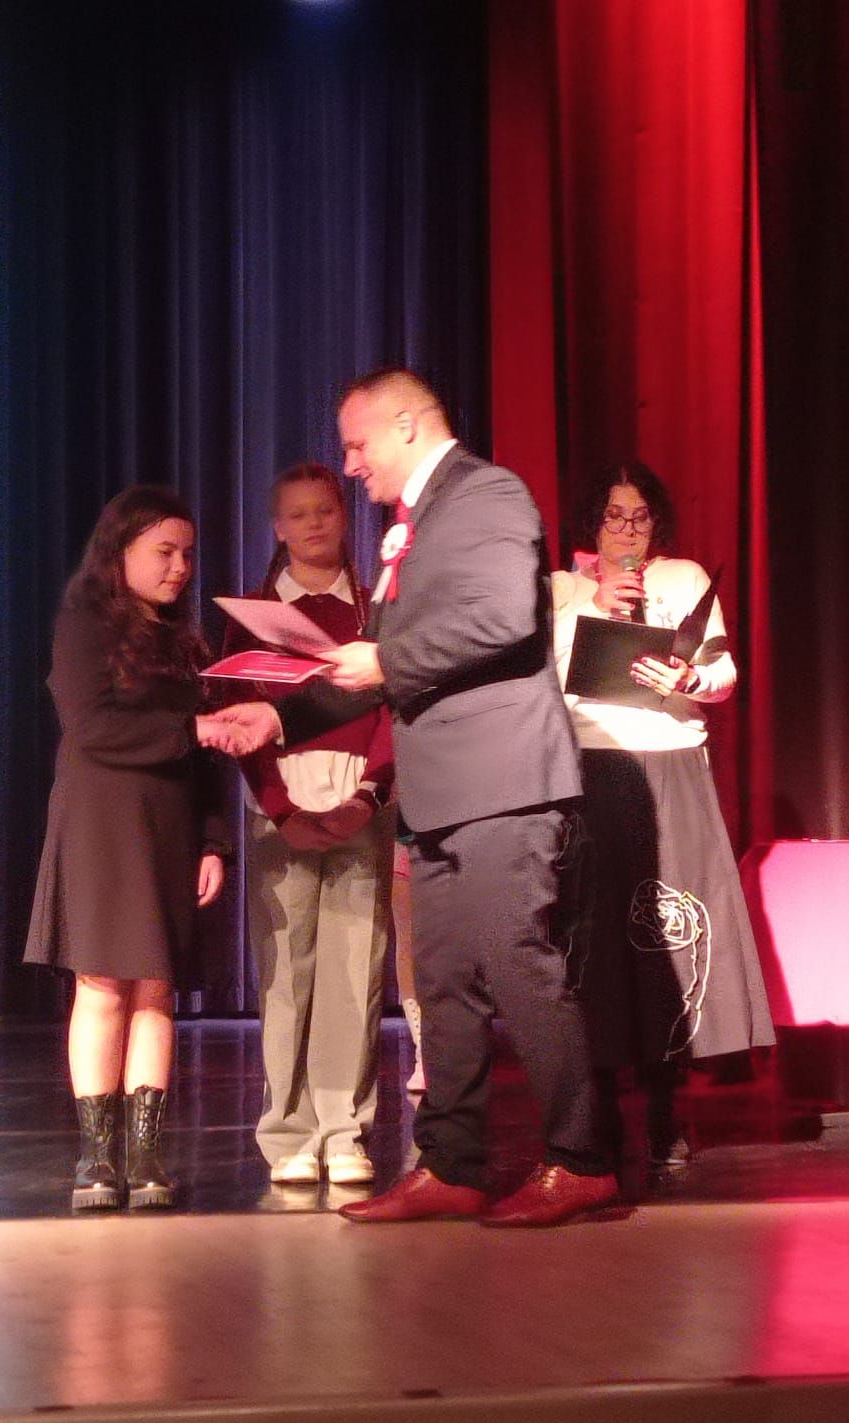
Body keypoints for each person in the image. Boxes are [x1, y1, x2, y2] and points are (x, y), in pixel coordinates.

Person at [215, 369, 620, 1228]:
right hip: (443, 795)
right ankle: (452, 1164)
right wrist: (277, 716)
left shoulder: (487, 494)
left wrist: (388, 659)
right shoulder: (417, 522)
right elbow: (370, 670)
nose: (350, 465)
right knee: (443, 983)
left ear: (406, 426)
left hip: (502, 782)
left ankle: (582, 1159)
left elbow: (504, 618)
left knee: (518, 964)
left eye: (357, 444)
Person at [551, 462, 773, 1169]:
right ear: (593, 523)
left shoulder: (682, 579)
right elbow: (544, 678)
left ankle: (666, 1107)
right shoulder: (560, 590)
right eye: (613, 516)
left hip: (672, 762)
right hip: (594, 765)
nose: (626, 530)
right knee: (599, 938)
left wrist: (690, 677)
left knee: (672, 933)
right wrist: (593, 602)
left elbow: (724, 675)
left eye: (639, 517)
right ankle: (600, 1110)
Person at [24, 486, 232, 1210]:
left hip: (169, 823)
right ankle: (96, 1156)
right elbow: (92, 728)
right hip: (102, 823)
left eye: (187, 554)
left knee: (155, 987)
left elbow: (207, 757)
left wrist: (213, 842)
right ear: (120, 552)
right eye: (164, 552)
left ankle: (145, 1156)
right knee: (104, 983)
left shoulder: (184, 640)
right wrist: (190, 731)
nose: (180, 567)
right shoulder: (83, 624)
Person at [225, 463, 395, 1188]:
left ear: (343, 515)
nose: (314, 524)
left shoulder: (376, 608)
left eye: (325, 509)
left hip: (360, 800)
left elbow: (391, 707)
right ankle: (289, 1132)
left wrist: (370, 794)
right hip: (282, 811)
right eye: (298, 514)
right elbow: (239, 722)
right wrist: (282, 808)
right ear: (278, 528)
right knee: (286, 972)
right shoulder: (253, 614)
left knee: (355, 970)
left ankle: (344, 1128)